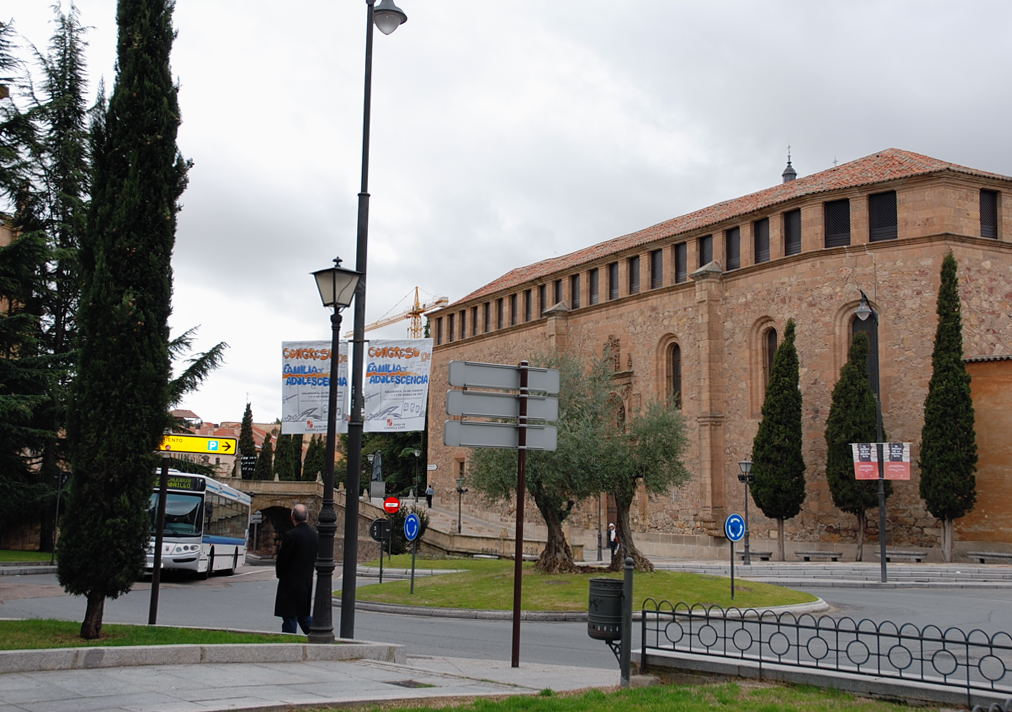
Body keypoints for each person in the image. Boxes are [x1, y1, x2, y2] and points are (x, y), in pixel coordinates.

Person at [274, 503, 318, 634]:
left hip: (289, 583)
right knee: (303, 615)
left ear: (292, 517)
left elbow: (282, 560)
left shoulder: (290, 535)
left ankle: (290, 641)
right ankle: (316, 635)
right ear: (307, 517)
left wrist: (280, 574)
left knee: (289, 616)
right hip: (306, 582)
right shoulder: (314, 535)